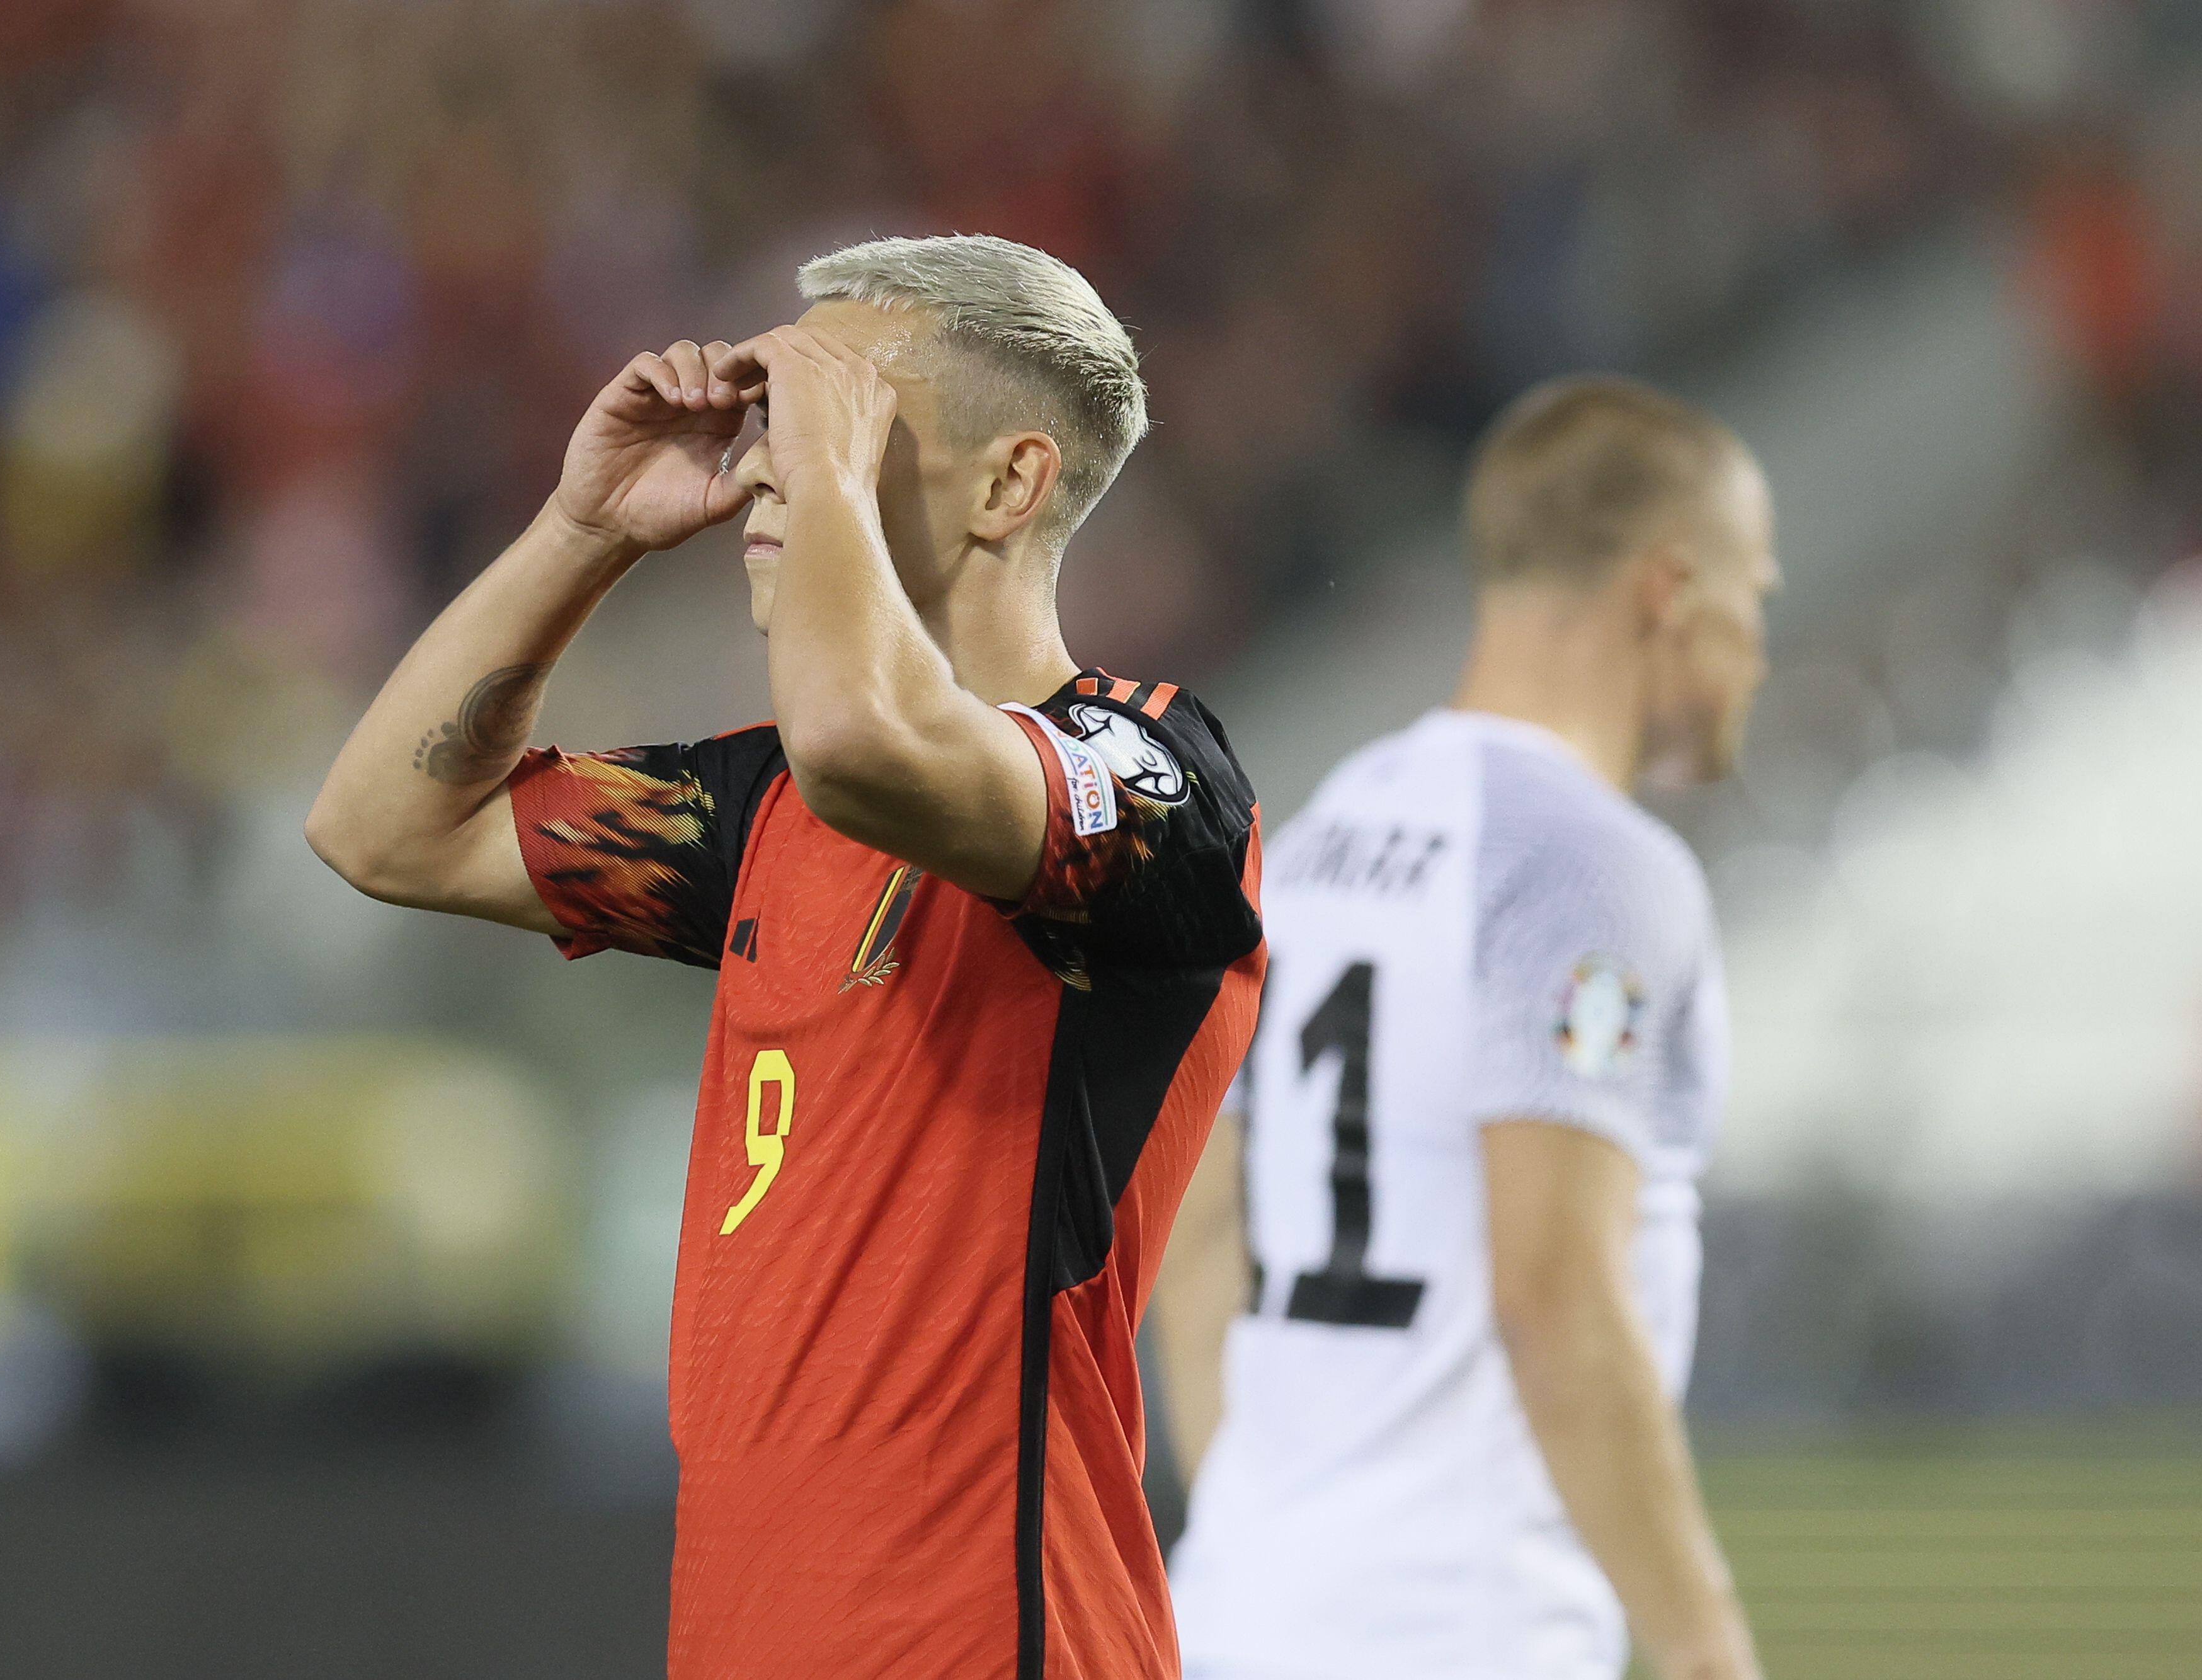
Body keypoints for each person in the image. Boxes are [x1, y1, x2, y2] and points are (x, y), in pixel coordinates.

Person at [307, 234, 1265, 1680]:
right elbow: (382, 824)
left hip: (984, 1635)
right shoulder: (760, 815)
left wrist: (821, 480)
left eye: (837, 410)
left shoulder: (1149, 778)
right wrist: (587, 528)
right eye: (771, 417)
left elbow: (861, 737)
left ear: (1008, 483)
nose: (766, 464)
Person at [1156, 377, 1776, 1680]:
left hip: (1230, 1611)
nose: (1755, 650)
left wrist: (1273, 1535)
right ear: (1667, 588)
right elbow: (1555, 1293)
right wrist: (1706, 1645)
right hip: (1463, 1623)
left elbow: (1195, 1235)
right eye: (1752, 596)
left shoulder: (1313, 840)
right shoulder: (1586, 867)